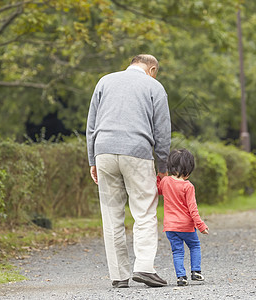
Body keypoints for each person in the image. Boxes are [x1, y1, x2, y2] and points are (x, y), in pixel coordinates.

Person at [86, 54, 171, 288]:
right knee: (144, 210)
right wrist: (162, 166)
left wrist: (92, 159)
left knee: (111, 214)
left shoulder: (104, 81)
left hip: (103, 150)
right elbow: (162, 130)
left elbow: (91, 125)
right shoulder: (154, 86)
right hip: (137, 151)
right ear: (151, 69)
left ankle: (119, 276)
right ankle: (144, 267)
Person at [157, 149, 209, 286]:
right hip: (186, 226)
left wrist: (159, 177)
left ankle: (181, 277)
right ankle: (196, 271)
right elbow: (193, 210)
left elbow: (157, 190)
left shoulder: (166, 181)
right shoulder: (188, 186)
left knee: (177, 251)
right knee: (194, 245)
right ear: (188, 169)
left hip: (170, 227)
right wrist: (201, 225)